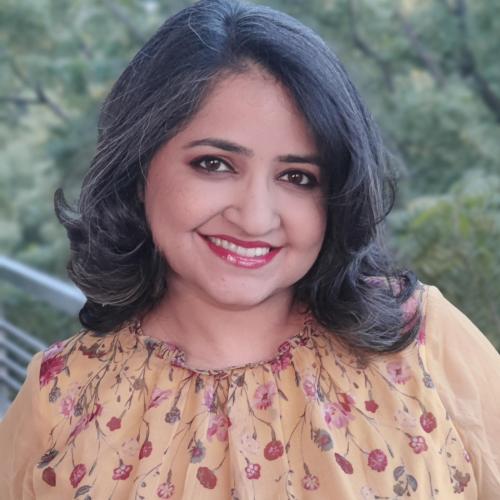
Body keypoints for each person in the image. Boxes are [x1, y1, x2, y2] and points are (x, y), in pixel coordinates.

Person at [1, 0, 499, 498]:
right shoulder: (59, 400)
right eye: (215, 164)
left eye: (298, 177)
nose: (256, 218)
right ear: (138, 170)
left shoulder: (420, 341)